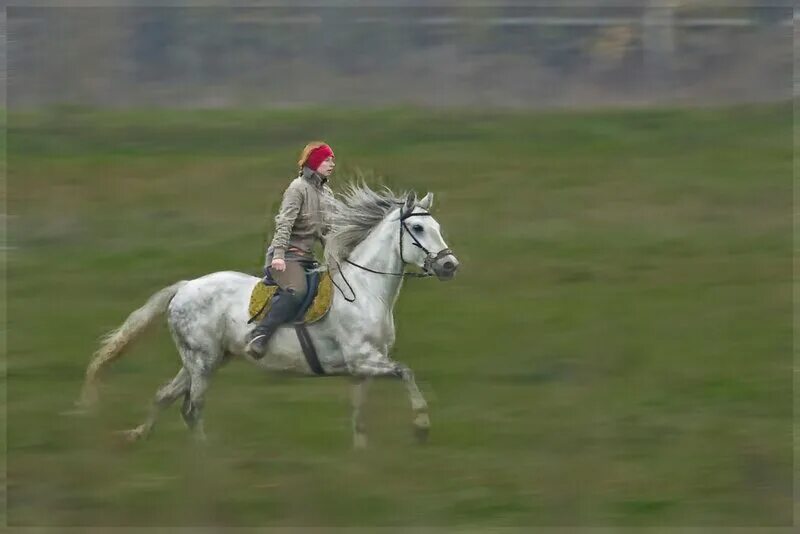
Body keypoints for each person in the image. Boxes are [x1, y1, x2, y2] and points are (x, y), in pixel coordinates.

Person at [245, 141, 335, 359]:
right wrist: (278, 256)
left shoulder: (327, 193)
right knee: (297, 291)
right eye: (326, 159)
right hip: (287, 257)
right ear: (314, 163)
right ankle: (260, 335)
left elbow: (330, 231)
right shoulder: (297, 188)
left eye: (332, 159)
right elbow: (284, 223)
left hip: (308, 259)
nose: (332, 164)